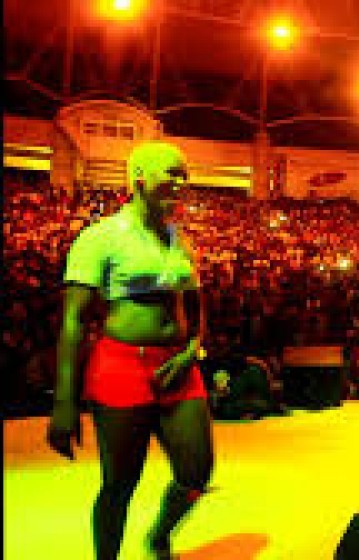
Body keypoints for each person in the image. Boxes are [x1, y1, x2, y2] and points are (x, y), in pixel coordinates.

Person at [47, 141, 214, 559]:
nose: (181, 182)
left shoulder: (178, 238)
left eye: (184, 175)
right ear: (139, 176)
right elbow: (73, 322)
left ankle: (159, 535)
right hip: (121, 366)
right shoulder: (101, 237)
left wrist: (192, 348)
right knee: (119, 485)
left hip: (177, 366)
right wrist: (65, 401)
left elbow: (195, 303)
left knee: (196, 473)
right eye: (171, 173)